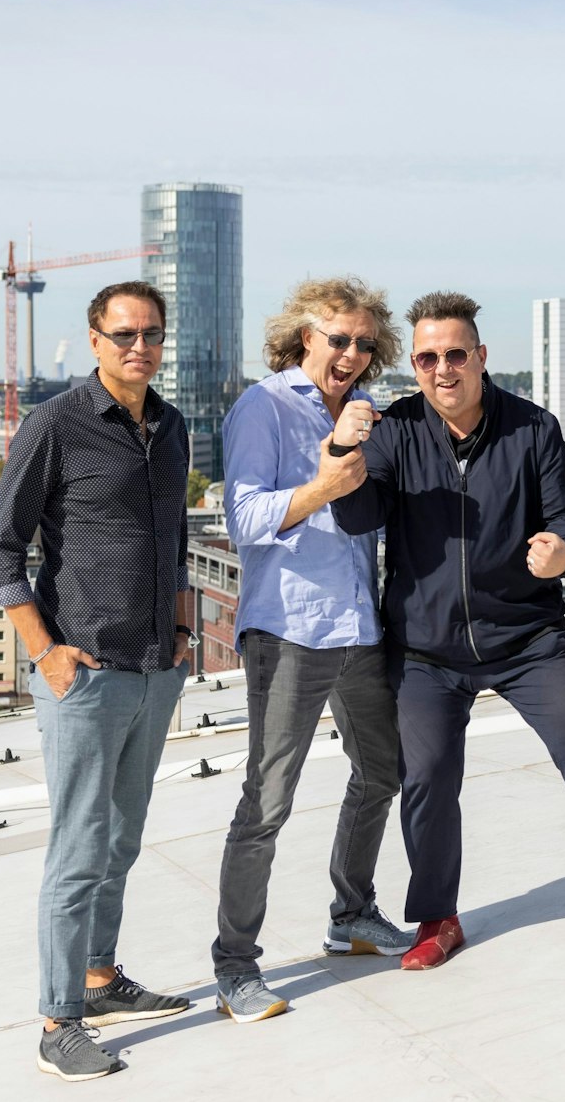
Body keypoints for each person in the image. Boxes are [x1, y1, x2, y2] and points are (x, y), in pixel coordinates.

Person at [332, 290, 565, 970]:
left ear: (481, 357)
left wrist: (564, 553)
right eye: (427, 357)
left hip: (527, 639)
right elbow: (357, 515)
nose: (442, 369)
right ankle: (437, 917)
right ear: (415, 365)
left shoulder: (533, 428)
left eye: (456, 354)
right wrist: (343, 446)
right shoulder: (394, 431)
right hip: (427, 650)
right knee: (426, 775)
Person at [0, 281, 195, 1081]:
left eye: (152, 334)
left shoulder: (171, 427)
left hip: (152, 668)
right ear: (96, 339)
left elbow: (173, 538)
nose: (140, 346)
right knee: (77, 848)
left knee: (123, 836)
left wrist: (179, 631)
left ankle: (100, 978)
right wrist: (47, 652)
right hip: (83, 670)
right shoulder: (57, 423)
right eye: (125, 333)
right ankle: (57, 1019)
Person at [209, 278, 413, 1024]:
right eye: (339, 339)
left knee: (382, 770)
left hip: (358, 625)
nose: (352, 353)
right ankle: (235, 966)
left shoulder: (366, 413)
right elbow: (245, 518)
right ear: (304, 338)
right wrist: (323, 483)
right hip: (289, 626)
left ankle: (351, 910)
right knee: (266, 802)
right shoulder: (262, 406)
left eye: (364, 342)